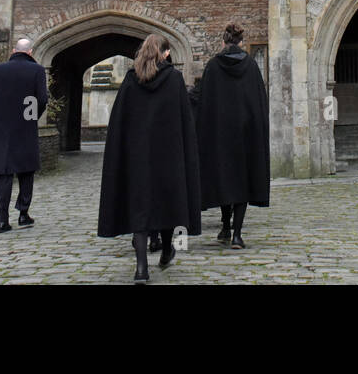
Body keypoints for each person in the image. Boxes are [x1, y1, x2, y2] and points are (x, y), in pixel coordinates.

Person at [98, 34, 201, 283]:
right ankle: (167, 250)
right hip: (169, 153)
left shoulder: (131, 80)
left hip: (138, 156)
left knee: (140, 207)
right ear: (165, 54)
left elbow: (119, 122)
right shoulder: (174, 79)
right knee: (168, 202)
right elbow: (184, 119)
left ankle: (141, 268)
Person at [192, 23, 270, 249]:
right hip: (246, 135)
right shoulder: (251, 66)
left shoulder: (214, 67)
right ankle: (236, 233)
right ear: (240, 43)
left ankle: (226, 226)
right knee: (242, 183)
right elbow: (258, 103)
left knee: (225, 180)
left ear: (224, 42)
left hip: (220, 136)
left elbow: (203, 101)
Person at [0, 37, 49, 234]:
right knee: (26, 171)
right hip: (25, 125)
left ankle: (2, 220)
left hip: (0, 129)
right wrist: (32, 114)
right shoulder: (36, 70)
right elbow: (42, 98)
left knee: (3, 174)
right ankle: (23, 213)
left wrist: (2, 108)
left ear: (13, 50)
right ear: (30, 52)